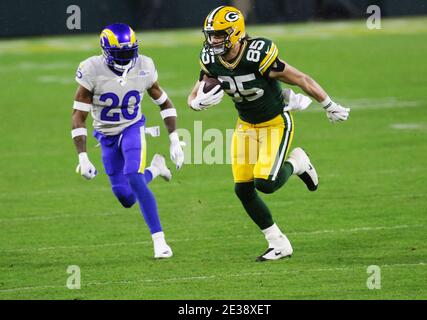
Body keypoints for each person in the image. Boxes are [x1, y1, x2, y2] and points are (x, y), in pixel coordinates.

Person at [187, 6, 350, 261]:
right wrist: (194, 102)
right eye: (211, 35)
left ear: (236, 32)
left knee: (266, 183)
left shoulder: (257, 54)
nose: (214, 40)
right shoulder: (210, 57)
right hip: (246, 126)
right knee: (242, 189)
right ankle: (278, 243)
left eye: (220, 34)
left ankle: (298, 162)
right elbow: (198, 88)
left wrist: (328, 104)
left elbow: (300, 78)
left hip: (275, 123)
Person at [71, 23, 184, 259]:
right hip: (106, 135)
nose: (126, 58)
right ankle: (155, 169)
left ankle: (160, 241)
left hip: (133, 128)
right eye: (120, 53)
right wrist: (82, 157)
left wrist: (174, 139)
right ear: (106, 51)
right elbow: (78, 117)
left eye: (129, 51)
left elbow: (165, 103)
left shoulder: (144, 65)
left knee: (133, 175)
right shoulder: (91, 69)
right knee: (126, 197)